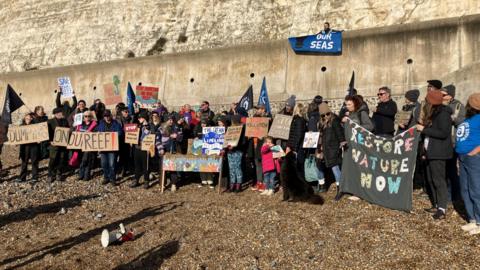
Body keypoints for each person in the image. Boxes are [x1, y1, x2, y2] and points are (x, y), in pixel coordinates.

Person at [416, 90, 453, 220]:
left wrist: (424, 129)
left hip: (439, 153)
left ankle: (442, 209)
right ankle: (436, 204)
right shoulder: (433, 113)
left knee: (438, 180)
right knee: (431, 179)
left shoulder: (443, 114)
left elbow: (443, 133)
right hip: (430, 151)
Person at [455, 93, 480, 234]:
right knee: (465, 189)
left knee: (476, 190)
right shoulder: (468, 118)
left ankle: (479, 221)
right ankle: (472, 219)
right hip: (462, 157)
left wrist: (475, 151)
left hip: (474, 158)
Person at [442, 84, 466, 203]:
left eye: (444, 94)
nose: (441, 95)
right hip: (441, 142)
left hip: (452, 142)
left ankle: (454, 195)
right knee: (443, 170)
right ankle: (444, 194)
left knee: (451, 170)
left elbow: (462, 121)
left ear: (450, 96)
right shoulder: (440, 105)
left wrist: (451, 118)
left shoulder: (458, 106)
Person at [317, 103, 346, 200]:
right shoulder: (322, 123)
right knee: (331, 168)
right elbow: (321, 137)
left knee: (335, 169)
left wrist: (342, 142)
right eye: (323, 115)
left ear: (330, 112)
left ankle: (340, 189)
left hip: (333, 148)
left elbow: (339, 132)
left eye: (327, 114)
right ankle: (324, 186)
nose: (326, 116)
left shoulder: (335, 121)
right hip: (326, 149)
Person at [97, 110, 123, 185]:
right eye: (105, 116)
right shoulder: (101, 124)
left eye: (108, 116)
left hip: (112, 147)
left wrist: (112, 135)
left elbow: (120, 132)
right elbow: (98, 132)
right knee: (104, 164)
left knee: (112, 164)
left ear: (110, 115)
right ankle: (106, 177)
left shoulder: (116, 123)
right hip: (103, 147)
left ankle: (112, 178)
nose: (107, 117)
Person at [47, 107, 69, 183]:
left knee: (61, 159)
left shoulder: (65, 121)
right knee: (53, 160)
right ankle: (50, 175)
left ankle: (58, 173)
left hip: (62, 145)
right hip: (54, 145)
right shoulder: (50, 122)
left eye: (61, 112)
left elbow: (67, 130)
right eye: (60, 112)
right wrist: (50, 141)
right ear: (56, 114)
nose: (61, 114)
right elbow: (47, 133)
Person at [17, 113, 40, 182]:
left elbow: (39, 134)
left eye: (29, 118)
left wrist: (39, 140)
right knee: (24, 162)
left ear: (32, 119)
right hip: (24, 147)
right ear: (24, 119)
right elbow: (18, 136)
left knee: (34, 162)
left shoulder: (35, 126)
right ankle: (22, 177)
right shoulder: (21, 126)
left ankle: (34, 177)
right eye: (26, 118)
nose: (28, 119)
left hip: (33, 146)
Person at [77, 110, 97, 181]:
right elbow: (76, 133)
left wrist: (91, 133)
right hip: (81, 144)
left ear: (91, 117)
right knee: (81, 159)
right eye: (85, 116)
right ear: (83, 117)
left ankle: (86, 175)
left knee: (86, 159)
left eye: (89, 116)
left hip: (89, 145)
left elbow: (97, 134)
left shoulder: (94, 124)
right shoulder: (80, 125)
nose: (87, 117)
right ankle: (81, 174)